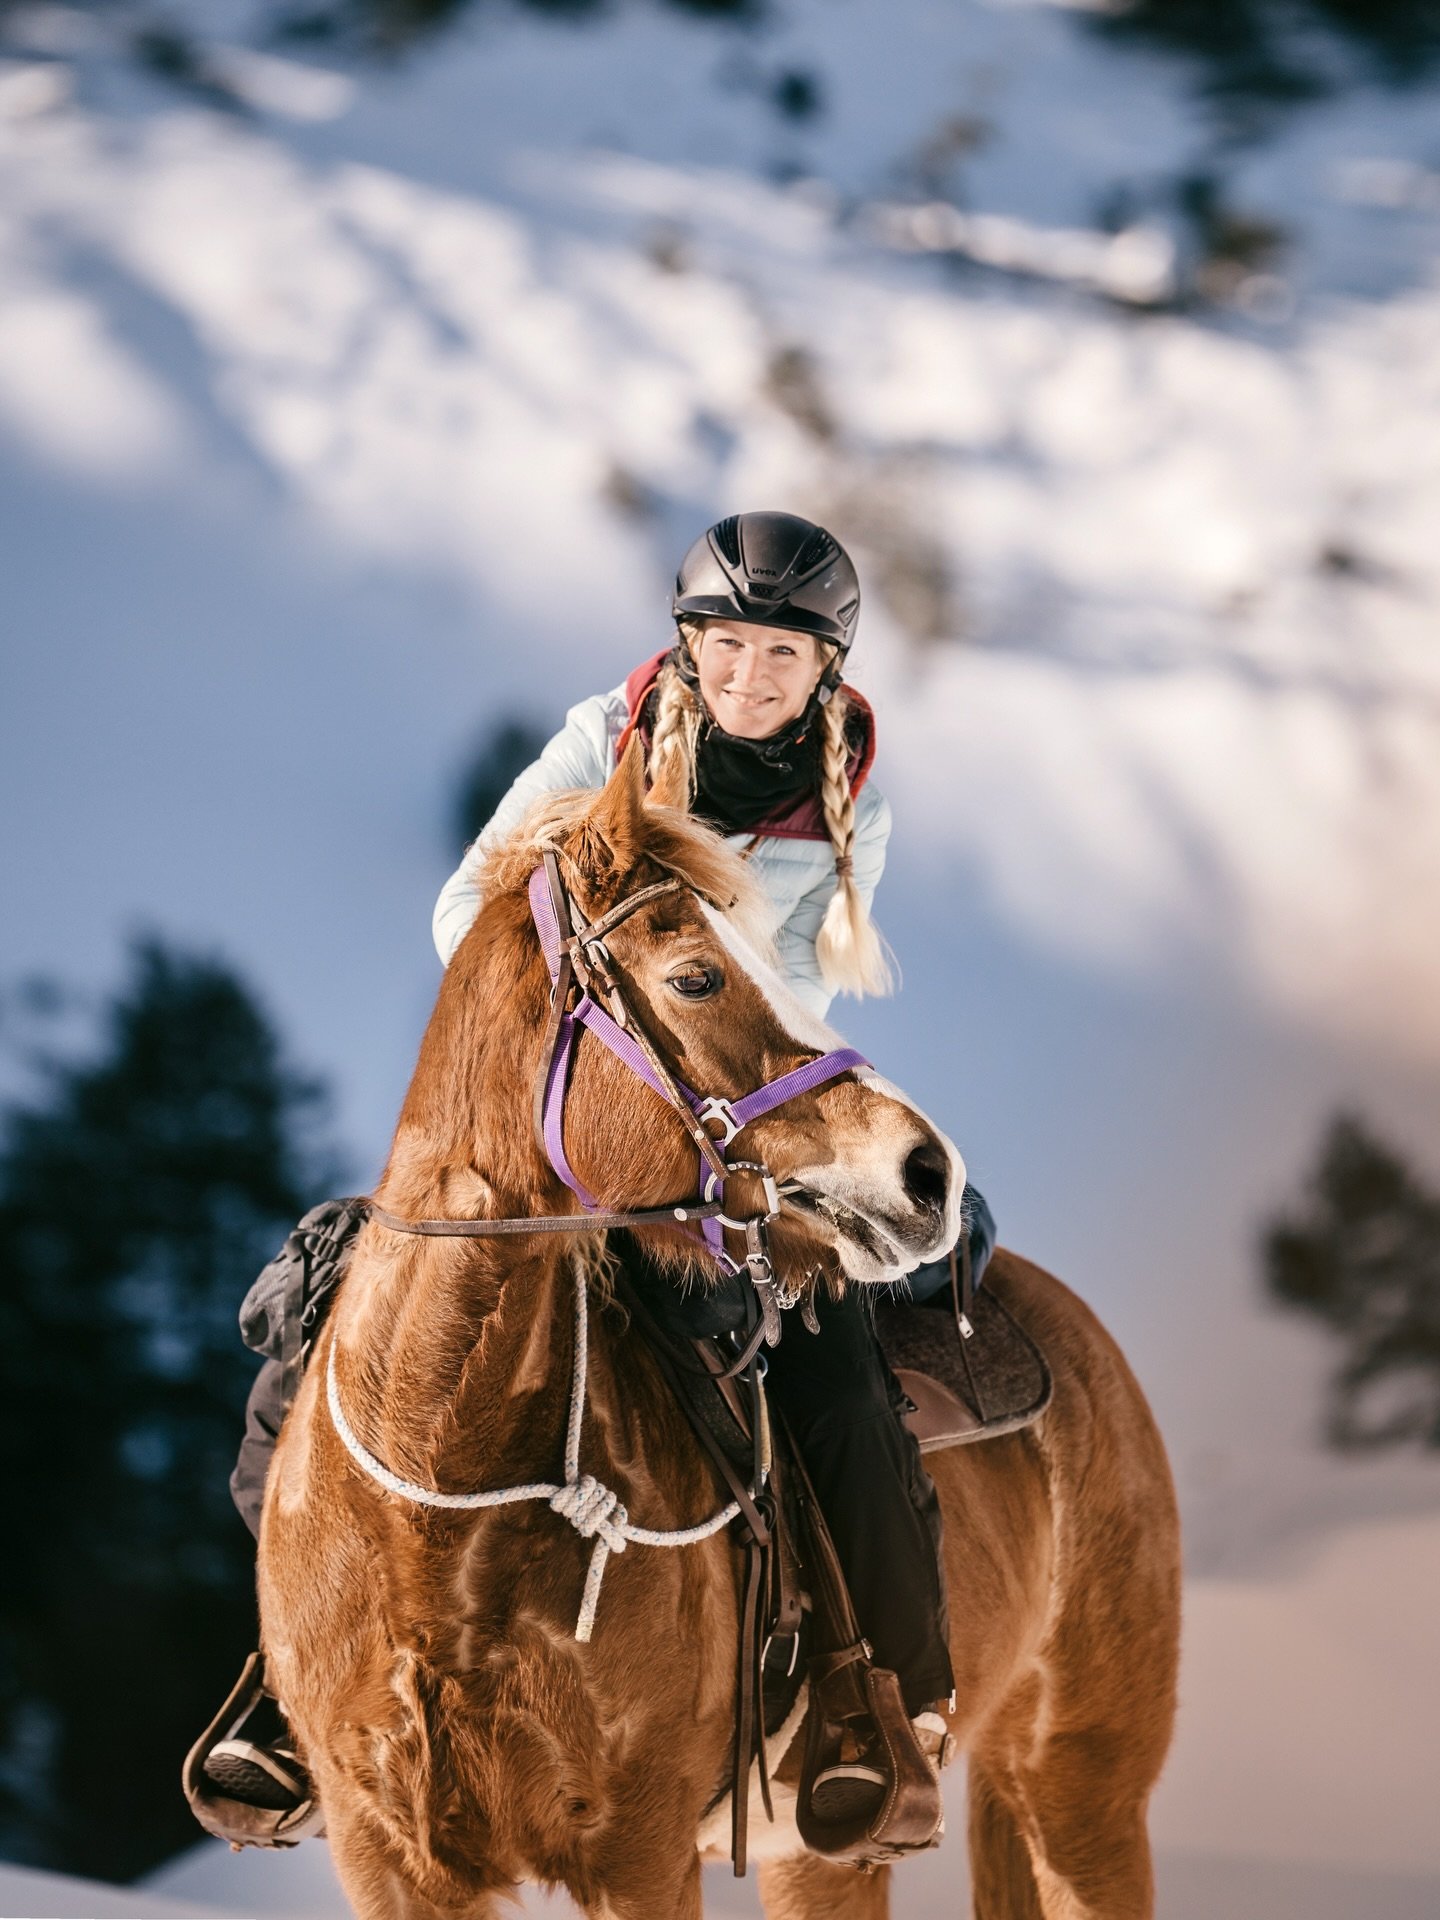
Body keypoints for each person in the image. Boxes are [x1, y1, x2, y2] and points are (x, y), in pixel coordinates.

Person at [200, 510, 993, 1841]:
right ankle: (291, 1683)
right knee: (330, 1315)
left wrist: (697, 1069)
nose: (748, 678)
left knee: (836, 1378)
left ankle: (883, 1703)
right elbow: (469, 905)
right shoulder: (598, 741)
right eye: (725, 646)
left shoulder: (854, 813)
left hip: (715, 1113)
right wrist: (569, 979)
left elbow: (782, 1007)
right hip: (559, 1089)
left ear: (828, 669)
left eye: (781, 657)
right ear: (687, 646)